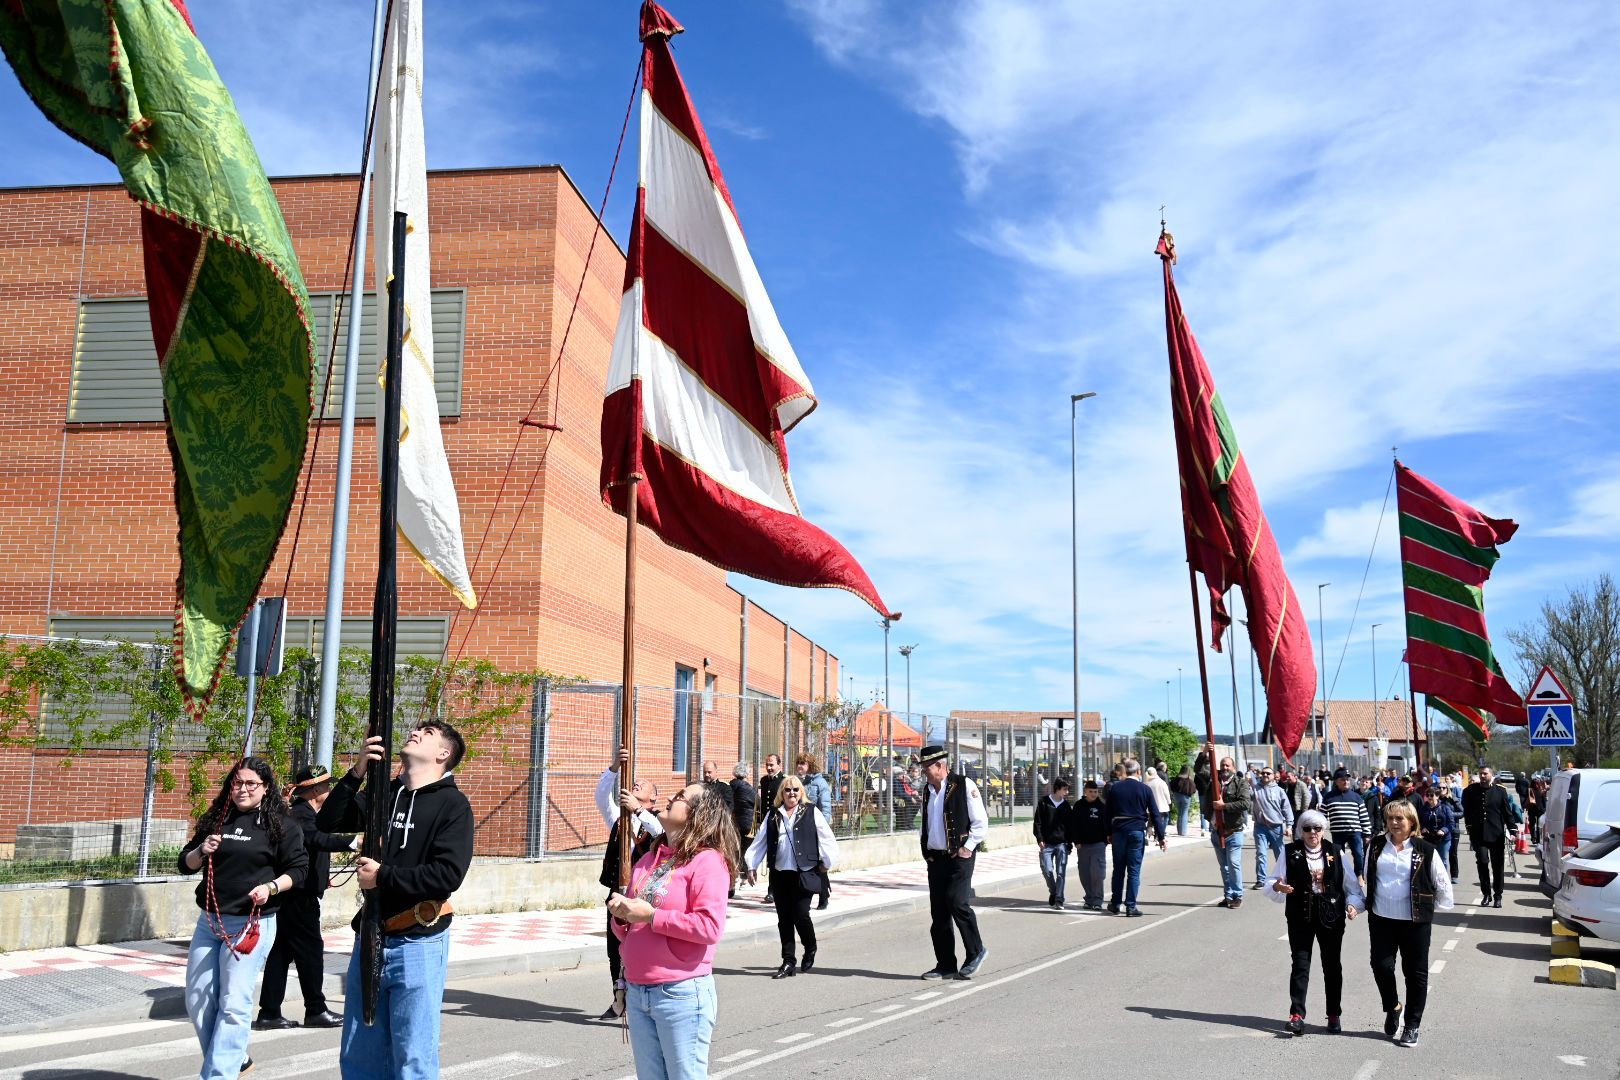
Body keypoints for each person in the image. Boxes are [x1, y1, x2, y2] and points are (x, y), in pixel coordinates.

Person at [317, 722, 475, 1080]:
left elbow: (447, 875)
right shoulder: (387, 793)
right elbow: (328, 821)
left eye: (429, 732)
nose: (417, 732)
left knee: (412, 1057)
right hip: (371, 934)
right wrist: (358, 770)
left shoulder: (453, 805)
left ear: (444, 753)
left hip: (419, 941)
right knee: (360, 1053)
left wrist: (383, 876)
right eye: (419, 728)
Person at [180, 757, 308, 1080]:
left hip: (252, 924)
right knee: (197, 1000)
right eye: (237, 783)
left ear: (265, 788)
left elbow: (299, 870)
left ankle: (218, 1074)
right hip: (210, 922)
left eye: (251, 784)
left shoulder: (281, 824)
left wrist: (271, 888)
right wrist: (201, 851)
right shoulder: (218, 818)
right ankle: (235, 1058)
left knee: (234, 1001)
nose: (243, 789)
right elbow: (185, 863)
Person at [609, 782, 736, 1080]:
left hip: (679, 993)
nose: (669, 797)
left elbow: (709, 927)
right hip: (639, 992)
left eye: (680, 797)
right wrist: (621, 917)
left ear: (699, 813)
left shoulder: (708, 861)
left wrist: (652, 916)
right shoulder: (648, 861)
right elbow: (629, 930)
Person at [256, 764, 354, 1031]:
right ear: (314, 790)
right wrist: (354, 842)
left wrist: (322, 878)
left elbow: (310, 851)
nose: (329, 791)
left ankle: (269, 1012)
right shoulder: (300, 814)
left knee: (280, 954)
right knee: (310, 953)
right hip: (298, 897)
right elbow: (316, 839)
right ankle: (315, 1010)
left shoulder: (305, 813)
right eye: (326, 786)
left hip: (296, 894)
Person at [1264, 808, 1364, 1036]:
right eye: (1307, 828)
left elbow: (1351, 885)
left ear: (1323, 830)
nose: (1312, 833)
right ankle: (1297, 1015)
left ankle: (1334, 1014)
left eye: (1317, 828)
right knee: (1300, 965)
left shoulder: (1335, 851)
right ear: (1301, 831)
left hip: (1331, 917)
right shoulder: (1290, 852)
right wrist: (1278, 886)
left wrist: (1352, 905)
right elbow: (1272, 881)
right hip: (1300, 916)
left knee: (1332, 966)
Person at [1365, 799, 1454, 1047]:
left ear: (1411, 822)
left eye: (1399, 818)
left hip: (1415, 921)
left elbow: (1441, 881)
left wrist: (1433, 907)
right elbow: (1368, 876)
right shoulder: (1376, 845)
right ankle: (1393, 1006)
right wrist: (1359, 904)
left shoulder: (1425, 849)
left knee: (1415, 973)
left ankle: (1412, 1024)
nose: (1394, 823)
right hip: (1381, 917)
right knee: (1381, 966)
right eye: (1390, 818)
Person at [744, 774, 837, 977]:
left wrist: (827, 862)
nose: (792, 793)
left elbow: (826, 838)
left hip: (804, 872)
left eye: (795, 789)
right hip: (780, 873)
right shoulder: (773, 814)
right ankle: (788, 961)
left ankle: (810, 947)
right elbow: (760, 840)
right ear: (782, 793)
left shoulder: (811, 811)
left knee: (801, 914)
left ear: (801, 792)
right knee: (784, 918)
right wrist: (751, 865)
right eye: (787, 790)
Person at [593, 748, 663, 1019]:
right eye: (636, 782)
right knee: (615, 948)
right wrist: (614, 768)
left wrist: (638, 810)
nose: (637, 784)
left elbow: (659, 833)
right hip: (618, 892)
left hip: (644, 895)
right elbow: (601, 797)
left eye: (643, 785)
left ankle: (641, 999)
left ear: (652, 798)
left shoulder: (656, 819)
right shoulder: (620, 818)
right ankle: (618, 998)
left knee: (640, 946)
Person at [917, 743, 990, 979]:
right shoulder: (928, 790)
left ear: (940, 765)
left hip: (960, 857)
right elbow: (926, 823)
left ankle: (976, 951)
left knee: (957, 902)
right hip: (936, 858)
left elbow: (981, 822)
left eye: (926, 767)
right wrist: (926, 849)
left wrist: (968, 847)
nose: (924, 772)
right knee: (939, 912)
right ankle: (946, 964)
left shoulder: (964, 785)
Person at [1104, 759, 1167, 916]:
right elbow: (1155, 814)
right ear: (1139, 772)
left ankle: (1115, 903)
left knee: (1118, 869)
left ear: (1126, 771)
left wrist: (1108, 833)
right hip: (1136, 832)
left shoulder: (1115, 788)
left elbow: (1107, 813)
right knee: (1133, 871)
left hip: (1119, 832)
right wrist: (1161, 837)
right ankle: (1131, 906)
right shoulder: (1145, 789)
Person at [1197, 752, 1253, 908]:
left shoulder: (1240, 783)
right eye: (1222, 765)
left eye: (1227, 765)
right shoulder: (1213, 780)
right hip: (1216, 831)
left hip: (1233, 831)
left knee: (1233, 864)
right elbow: (1198, 770)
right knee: (1224, 867)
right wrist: (1204, 752)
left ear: (1233, 768)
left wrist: (1224, 806)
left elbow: (1245, 804)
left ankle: (1237, 895)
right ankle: (1228, 896)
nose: (1224, 768)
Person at [1461, 765, 1513, 907]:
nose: (1482, 776)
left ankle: (1498, 895)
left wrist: (1512, 830)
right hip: (1479, 835)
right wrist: (1469, 828)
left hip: (1496, 835)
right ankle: (1486, 894)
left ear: (1492, 775)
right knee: (1482, 862)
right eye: (1480, 774)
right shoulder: (1471, 791)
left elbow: (1507, 812)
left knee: (1498, 866)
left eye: (1485, 774)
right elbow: (1468, 812)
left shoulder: (1500, 791)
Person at [795, 753, 834, 910]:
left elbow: (825, 807)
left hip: (816, 829)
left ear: (810, 765)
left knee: (819, 864)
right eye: (798, 763)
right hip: (802, 829)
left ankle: (824, 895)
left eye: (803, 763)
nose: (799, 766)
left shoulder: (820, 783)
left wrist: (822, 829)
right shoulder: (800, 782)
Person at [1067, 779, 1110, 909]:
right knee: (1084, 874)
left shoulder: (1102, 805)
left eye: (1095, 792)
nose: (1093, 794)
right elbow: (1073, 825)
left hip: (1098, 845)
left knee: (1097, 873)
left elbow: (1107, 824)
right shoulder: (1079, 805)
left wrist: (1105, 840)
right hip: (1083, 846)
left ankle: (1097, 900)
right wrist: (1076, 841)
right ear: (1085, 791)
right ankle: (1089, 898)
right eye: (1091, 791)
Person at [1251, 766, 1295, 889]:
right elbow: (1246, 797)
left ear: (1273, 776)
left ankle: (1284, 877)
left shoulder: (1279, 791)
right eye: (1263, 773)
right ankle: (1261, 880)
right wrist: (1248, 779)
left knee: (1280, 855)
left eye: (1268, 773)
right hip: (1260, 827)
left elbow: (1287, 809)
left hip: (1276, 827)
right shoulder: (1254, 788)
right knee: (1261, 853)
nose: (1265, 775)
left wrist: (1289, 826)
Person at [1034, 778, 1073, 908]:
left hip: (1062, 844)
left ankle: (1059, 899)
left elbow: (1070, 826)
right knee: (1047, 870)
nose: (1067, 792)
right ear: (1057, 789)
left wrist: (1069, 843)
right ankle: (1054, 892)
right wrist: (1040, 839)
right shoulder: (1043, 802)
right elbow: (1037, 823)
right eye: (1065, 789)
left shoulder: (1066, 805)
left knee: (1061, 872)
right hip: (1046, 844)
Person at [756, 754, 785, 904]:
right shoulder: (764, 781)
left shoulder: (784, 781)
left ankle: (777, 890)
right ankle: (771, 891)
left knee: (780, 858)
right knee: (771, 859)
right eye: (767, 765)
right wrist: (760, 822)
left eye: (772, 765)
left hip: (780, 825)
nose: (769, 768)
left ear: (779, 765)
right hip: (768, 825)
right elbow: (763, 805)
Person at [1416, 786, 1456, 883]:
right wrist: (1422, 828)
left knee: (1443, 859)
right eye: (1427, 795)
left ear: (1437, 796)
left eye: (1431, 795)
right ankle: (1430, 880)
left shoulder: (1445, 808)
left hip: (1443, 839)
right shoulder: (1423, 809)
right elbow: (1418, 822)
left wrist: (1444, 830)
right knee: (1429, 859)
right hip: (1428, 838)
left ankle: (1443, 881)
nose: (1429, 797)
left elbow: (1451, 823)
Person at [729, 762, 758, 878]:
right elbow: (758, 803)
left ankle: (735, 875)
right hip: (749, 824)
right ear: (747, 774)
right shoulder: (748, 788)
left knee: (736, 850)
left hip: (734, 823)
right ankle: (745, 876)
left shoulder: (730, 786)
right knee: (748, 850)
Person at [1145, 766, 1172, 843]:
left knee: (1150, 821)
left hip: (1150, 806)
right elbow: (1166, 794)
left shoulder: (1147, 783)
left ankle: (1147, 836)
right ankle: (1157, 838)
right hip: (1161, 805)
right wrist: (1169, 802)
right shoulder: (1162, 782)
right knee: (1159, 822)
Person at [1171, 765, 1195, 836]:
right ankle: (1183, 832)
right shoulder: (1189, 780)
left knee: (1180, 813)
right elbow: (1193, 789)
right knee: (1184, 813)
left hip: (1177, 796)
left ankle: (1179, 831)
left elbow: (1171, 786)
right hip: (1186, 797)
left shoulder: (1177, 779)